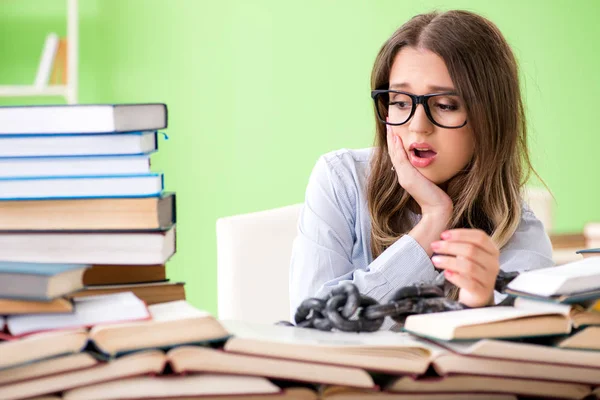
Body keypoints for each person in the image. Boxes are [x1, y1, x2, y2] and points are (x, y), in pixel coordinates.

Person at [289, 10, 554, 324]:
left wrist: (477, 307)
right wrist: (432, 223)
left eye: (444, 105)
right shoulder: (341, 179)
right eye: (400, 102)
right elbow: (311, 322)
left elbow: (525, 358)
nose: (418, 126)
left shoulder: (518, 232)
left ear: (490, 118)